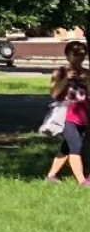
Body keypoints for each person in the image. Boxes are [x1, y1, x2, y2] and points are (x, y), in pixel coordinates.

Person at [45, 40, 89, 186]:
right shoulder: (60, 72)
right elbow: (54, 93)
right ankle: (82, 180)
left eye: (83, 54)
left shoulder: (87, 73)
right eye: (76, 54)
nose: (80, 57)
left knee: (67, 147)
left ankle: (51, 176)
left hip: (83, 116)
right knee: (76, 147)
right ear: (68, 55)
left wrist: (86, 80)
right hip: (66, 116)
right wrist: (66, 79)